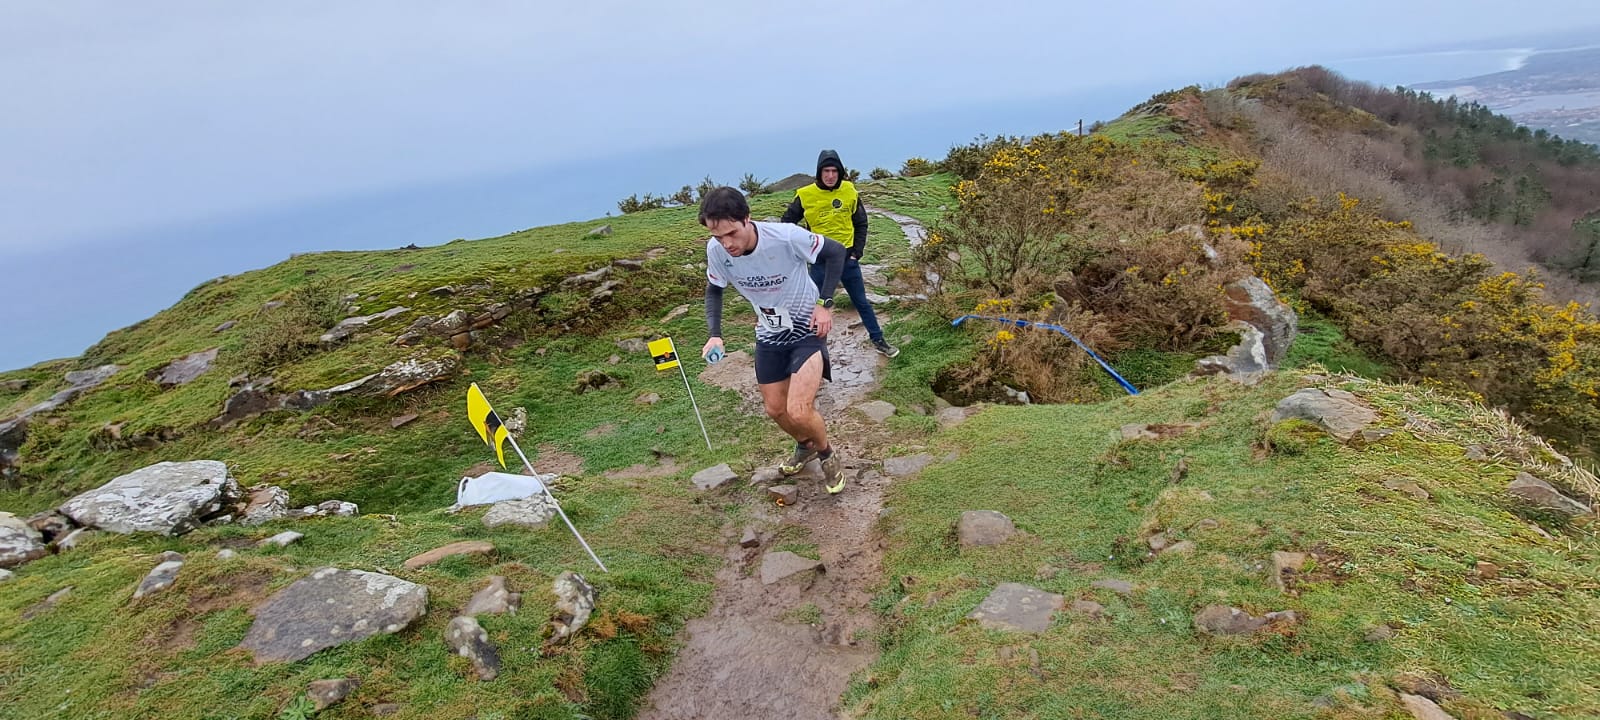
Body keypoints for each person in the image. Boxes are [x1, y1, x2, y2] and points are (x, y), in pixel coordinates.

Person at [700, 186, 851, 493]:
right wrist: (715, 335)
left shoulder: (784, 236)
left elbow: (836, 251)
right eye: (718, 237)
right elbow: (714, 289)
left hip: (807, 329)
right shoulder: (716, 251)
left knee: (798, 409)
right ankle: (804, 444)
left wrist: (825, 304)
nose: (726, 244)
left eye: (731, 234)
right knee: (775, 410)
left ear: (747, 218)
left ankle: (827, 454)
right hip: (769, 333)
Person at [780, 149, 900, 358]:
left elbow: (861, 222)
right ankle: (811, 353)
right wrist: (803, 250)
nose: (830, 176)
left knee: (861, 302)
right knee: (812, 308)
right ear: (819, 172)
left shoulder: (849, 191)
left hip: (847, 260)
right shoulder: (805, 195)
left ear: (840, 172)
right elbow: (787, 225)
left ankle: (878, 340)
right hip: (820, 262)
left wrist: (857, 252)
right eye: (826, 171)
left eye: (834, 171)